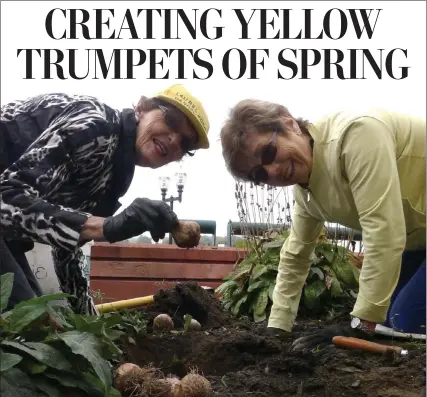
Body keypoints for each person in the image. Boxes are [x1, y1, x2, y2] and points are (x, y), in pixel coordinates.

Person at [220, 100, 426, 350]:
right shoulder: (306, 190)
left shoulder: (356, 136)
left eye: (268, 152)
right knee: (389, 321)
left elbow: (383, 232)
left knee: (405, 322)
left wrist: (362, 325)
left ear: (289, 123)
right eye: (260, 175)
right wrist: (277, 328)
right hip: (418, 240)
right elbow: (296, 255)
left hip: (411, 238)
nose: (273, 171)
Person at [0, 84, 210, 315]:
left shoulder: (112, 174)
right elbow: (6, 198)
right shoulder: (97, 125)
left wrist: (92, 326)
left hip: (7, 236)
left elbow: (65, 249)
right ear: (141, 108)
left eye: (185, 143)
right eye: (171, 120)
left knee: (37, 319)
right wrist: (105, 226)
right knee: (29, 324)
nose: (173, 139)